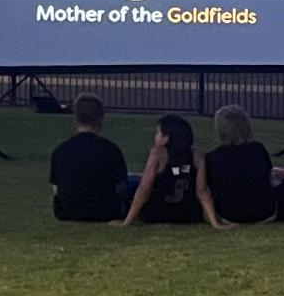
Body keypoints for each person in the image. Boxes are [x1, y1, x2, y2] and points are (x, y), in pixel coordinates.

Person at [121, 114, 227, 227]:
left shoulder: (158, 153)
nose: (155, 136)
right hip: (188, 213)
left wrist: (127, 222)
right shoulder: (197, 155)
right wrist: (215, 222)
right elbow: (202, 190)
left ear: (166, 137)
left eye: (158, 133)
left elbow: (144, 188)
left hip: (157, 212)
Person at [49, 94, 128, 222]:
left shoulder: (60, 150)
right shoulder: (111, 150)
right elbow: (121, 185)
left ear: (75, 119)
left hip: (66, 211)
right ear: (101, 118)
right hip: (106, 211)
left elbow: (56, 188)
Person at [201, 105, 278, 224]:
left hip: (229, 215)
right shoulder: (258, 149)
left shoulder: (213, 157)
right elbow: (267, 175)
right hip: (265, 213)